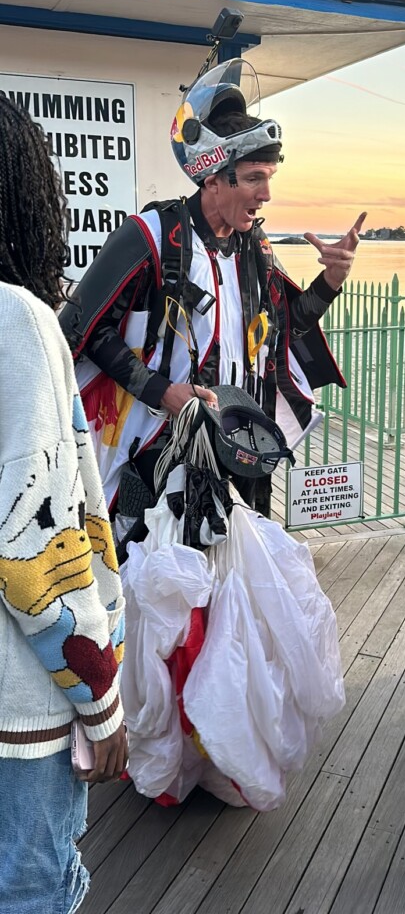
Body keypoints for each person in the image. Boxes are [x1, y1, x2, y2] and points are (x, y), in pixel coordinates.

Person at [59, 58, 364, 524]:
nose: (266, 195)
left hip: (242, 442)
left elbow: (284, 332)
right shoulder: (151, 235)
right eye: (254, 178)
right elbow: (83, 330)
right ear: (212, 179)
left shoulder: (254, 247)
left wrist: (331, 280)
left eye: (269, 178)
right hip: (159, 443)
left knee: (234, 572)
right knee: (159, 574)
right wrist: (163, 392)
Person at [0, 96, 128, 914]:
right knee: (34, 890)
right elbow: (33, 549)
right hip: (17, 712)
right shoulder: (16, 320)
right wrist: (101, 700)